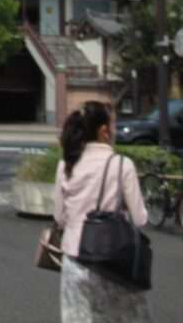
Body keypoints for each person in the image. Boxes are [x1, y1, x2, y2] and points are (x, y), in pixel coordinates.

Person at [52, 101, 151, 323]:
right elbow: (140, 218)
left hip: (74, 257)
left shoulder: (66, 164)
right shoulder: (121, 164)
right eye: (113, 125)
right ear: (104, 131)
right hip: (113, 260)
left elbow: (59, 217)